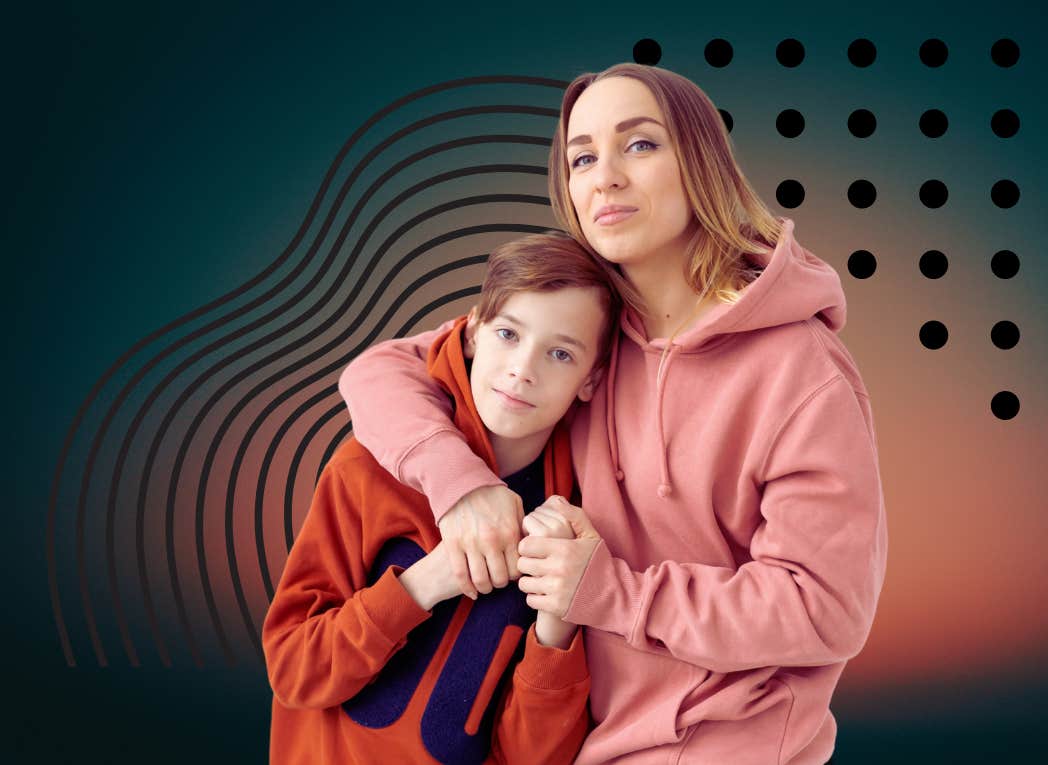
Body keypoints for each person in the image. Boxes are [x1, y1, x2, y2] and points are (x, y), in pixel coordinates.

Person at [338, 63, 888, 764]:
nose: (606, 177)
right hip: (576, 741)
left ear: (701, 163)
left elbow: (824, 605)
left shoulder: (802, 369)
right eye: (582, 157)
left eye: (640, 145)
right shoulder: (579, 332)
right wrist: (463, 486)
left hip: (730, 743)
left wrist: (615, 592)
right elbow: (380, 370)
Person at [263, 232, 621, 764]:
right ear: (472, 330)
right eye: (507, 334)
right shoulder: (365, 468)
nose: (523, 369)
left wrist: (557, 627)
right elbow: (295, 671)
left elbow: (532, 757)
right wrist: (425, 582)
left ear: (590, 380)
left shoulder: (575, 525)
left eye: (560, 353)